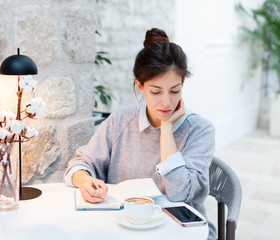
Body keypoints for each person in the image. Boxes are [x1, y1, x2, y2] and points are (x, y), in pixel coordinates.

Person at [64, 28, 216, 240]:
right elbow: (79, 164)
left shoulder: (200, 130)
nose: (166, 102)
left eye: (175, 91)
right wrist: (85, 182)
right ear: (140, 86)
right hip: (124, 229)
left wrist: (166, 128)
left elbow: (179, 193)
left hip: (181, 233)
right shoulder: (120, 120)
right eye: (155, 91)